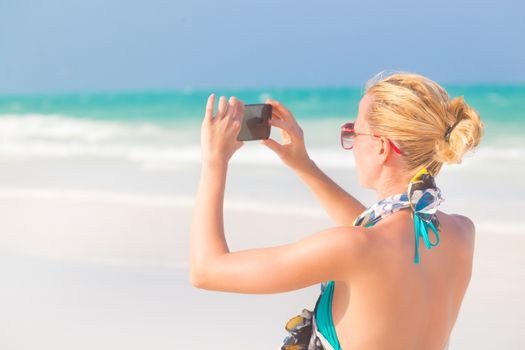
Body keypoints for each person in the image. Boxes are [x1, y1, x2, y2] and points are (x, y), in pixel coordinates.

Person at [189, 70, 485, 350]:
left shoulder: (356, 248)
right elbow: (377, 236)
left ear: (382, 148)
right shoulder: (460, 234)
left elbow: (206, 270)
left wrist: (215, 161)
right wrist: (303, 165)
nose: (352, 143)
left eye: (353, 132)